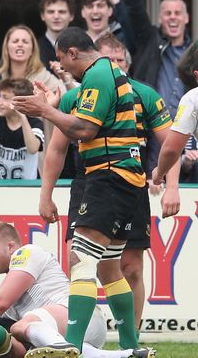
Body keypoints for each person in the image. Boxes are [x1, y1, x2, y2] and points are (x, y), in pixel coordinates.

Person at [11, 27, 149, 354]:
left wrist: (44, 110)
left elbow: (85, 128)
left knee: (82, 260)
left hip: (108, 176)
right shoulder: (104, 76)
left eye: (62, 59)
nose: (62, 67)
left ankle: (71, 345)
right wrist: (53, 105)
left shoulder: (99, 75)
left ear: (73, 53)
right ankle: (130, 347)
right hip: (125, 178)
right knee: (111, 266)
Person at [40, 34, 180, 333]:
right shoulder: (76, 95)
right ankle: (107, 341)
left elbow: (171, 144)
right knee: (92, 263)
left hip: (118, 178)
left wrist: (170, 185)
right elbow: (56, 149)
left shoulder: (142, 93)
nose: (113, 66)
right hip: (91, 179)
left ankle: (100, 340)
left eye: (118, 60)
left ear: (124, 64)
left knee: (114, 265)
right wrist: (46, 194)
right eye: (109, 59)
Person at [0, 223, 155, 358]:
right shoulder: (4, 287)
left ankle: (61, 347)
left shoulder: (26, 252)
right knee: (19, 345)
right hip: (77, 331)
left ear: (10, 246)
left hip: (79, 319)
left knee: (20, 327)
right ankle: (122, 355)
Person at [128, 0, 192, 118]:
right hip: (154, 128)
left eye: (177, 13)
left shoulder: (194, 51)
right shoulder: (151, 41)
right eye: (167, 13)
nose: (172, 17)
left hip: (188, 132)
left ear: (186, 18)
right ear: (160, 18)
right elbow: (134, 5)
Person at [0, 78, 44, 180]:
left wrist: (23, 116)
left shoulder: (35, 123)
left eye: (5, 98)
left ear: (20, 101)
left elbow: (33, 149)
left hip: (27, 187)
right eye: (0, 96)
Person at [0, 25, 65, 96]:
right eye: (15, 41)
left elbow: (65, 94)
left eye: (25, 42)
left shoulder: (42, 76)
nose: (20, 44)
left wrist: (66, 79)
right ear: (7, 48)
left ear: (32, 50)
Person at [37, 0, 76, 70]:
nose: (56, 16)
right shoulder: (34, 48)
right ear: (42, 16)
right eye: (51, 12)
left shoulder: (81, 48)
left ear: (71, 16)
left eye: (62, 12)